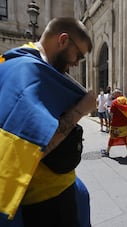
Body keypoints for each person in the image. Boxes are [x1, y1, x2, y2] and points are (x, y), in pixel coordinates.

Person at [0, 17, 95, 227]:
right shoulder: (29, 74)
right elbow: (34, 149)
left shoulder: (16, 64)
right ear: (62, 40)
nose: (76, 63)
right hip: (47, 202)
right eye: (78, 54)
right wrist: (80, 109)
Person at [102, 89, 127, 159]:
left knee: (112, 137)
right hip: (124, 124)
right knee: (126, 138)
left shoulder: (114, 102)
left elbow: (111, 114)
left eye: (114, 94)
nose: (113, 95)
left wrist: (108, 109)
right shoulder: (126, 101)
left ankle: (107, 152)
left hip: (115, 124)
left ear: (117, 95)